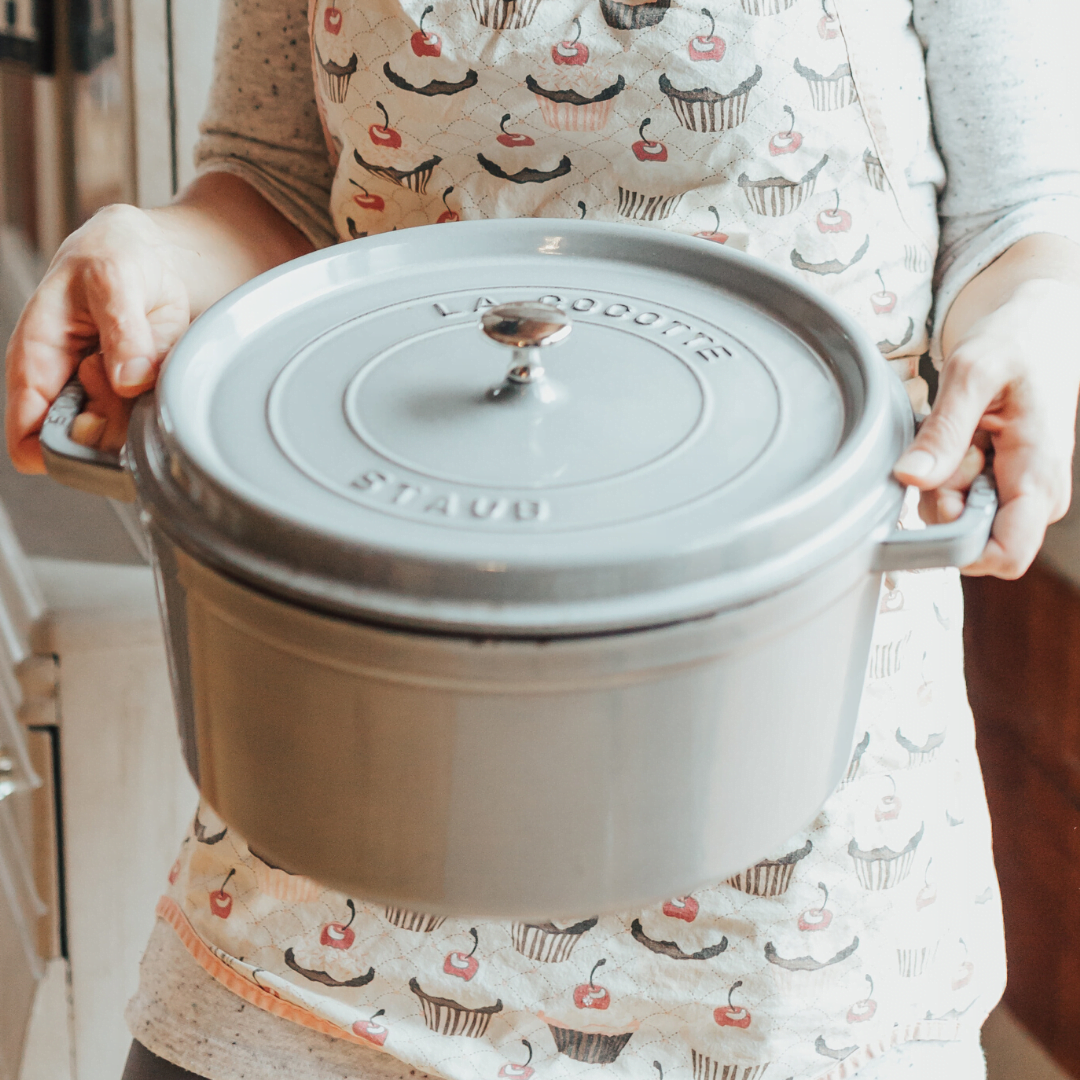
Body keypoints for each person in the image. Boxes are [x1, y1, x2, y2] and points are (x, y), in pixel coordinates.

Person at [6, 1, 1080, 1077]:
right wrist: (149, 248)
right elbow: (269, 189)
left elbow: (1021, 214)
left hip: (784, 915)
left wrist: (1033, 320)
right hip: (338, 842)